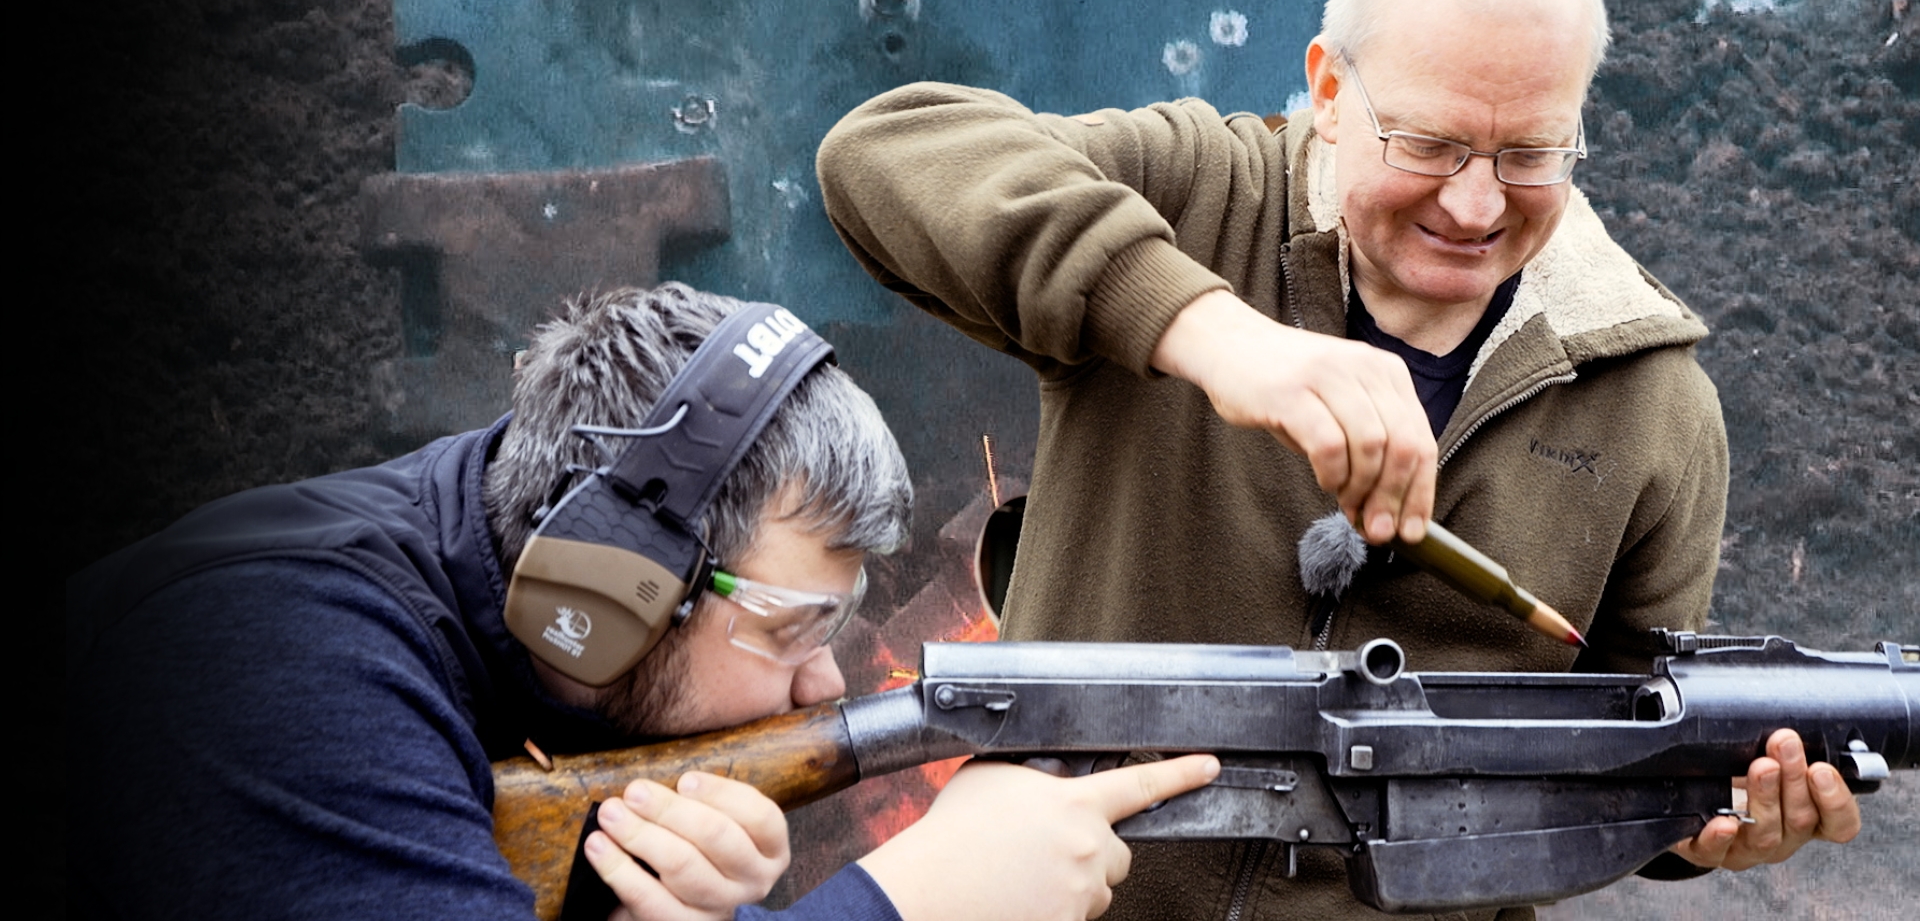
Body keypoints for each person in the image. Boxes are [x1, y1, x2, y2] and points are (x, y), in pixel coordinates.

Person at [818, 0, 1860, 920]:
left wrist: (1702, 824)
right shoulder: (1198, 194)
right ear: (1325, 89)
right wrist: (1217, 336)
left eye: (1530, 154)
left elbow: (1626, 750)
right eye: (1429, 143)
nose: (1474, 203)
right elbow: (883, 154)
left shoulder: (1657, 409)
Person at [66, 282, 1218, 921]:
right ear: (607, 593)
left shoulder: (500, 538)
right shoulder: (269, 657)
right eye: (790, 626)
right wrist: (907, 903)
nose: (827, 679)